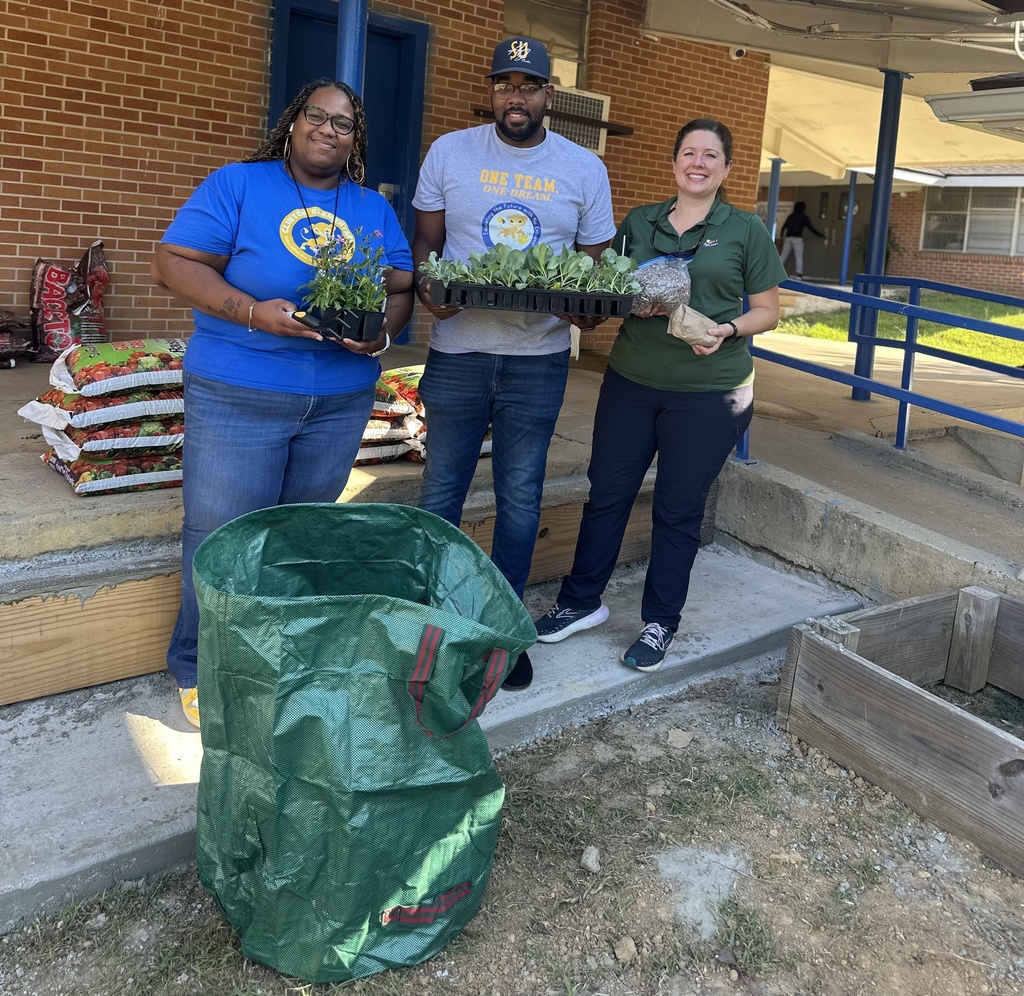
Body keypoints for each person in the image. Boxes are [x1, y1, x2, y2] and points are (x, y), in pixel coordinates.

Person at [152, 78, 414, 728]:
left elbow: (401, 284)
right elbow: (174, 260)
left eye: (345, 123)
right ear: (293, 123)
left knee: (299, 539)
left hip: (335, 402)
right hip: (238, 391)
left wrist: (382, 332)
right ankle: (197, 663)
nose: (329, 129)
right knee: (221, 538)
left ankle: (272, 656)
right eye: (317, 117)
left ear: (356, 141)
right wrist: (250, 312)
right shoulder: (239, 184)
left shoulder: (370, 209)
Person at [533, 118, 787, 672]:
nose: (698, 163)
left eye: (710, 155)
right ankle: (581, 602)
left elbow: (769, 308)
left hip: (709, 391)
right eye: (689, 153)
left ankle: (659, 621)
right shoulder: (639, 222)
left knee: (677, 508)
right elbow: (613, 287)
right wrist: (620, 301)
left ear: (726, 168)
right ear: (674, 162)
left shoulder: (744, 229)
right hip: (632, 380)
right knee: (607, 494)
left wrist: (729, 329)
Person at [411, 37, 616, 692]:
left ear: (549, 95)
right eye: (505, 84)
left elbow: (593, 266)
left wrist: (589, 310)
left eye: (528, 86)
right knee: (441, 494)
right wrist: (429, 291)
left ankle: (504, 628)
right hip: (459, 353)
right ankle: (434, 623)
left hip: (539, 358)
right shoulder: (449, 152)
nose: (516, 96)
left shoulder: (583, 168)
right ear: (493, 90)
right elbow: (427, 247)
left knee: (520, 499)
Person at [777, 200, 824, 278]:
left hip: (788, 238)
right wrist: (821, 235)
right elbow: (811, 229)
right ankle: (799, 274)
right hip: (797, 239)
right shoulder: (804, 217)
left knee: (783, 255)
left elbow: (784, 227)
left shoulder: (791, 216)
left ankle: (775, 270)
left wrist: (782, 237)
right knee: (799, 257)